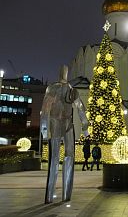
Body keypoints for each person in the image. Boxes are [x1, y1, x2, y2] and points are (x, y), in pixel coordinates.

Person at [40, 65, 89, 204]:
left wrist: (85, 130)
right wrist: (44, 131)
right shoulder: (53, 88)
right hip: (56, 123)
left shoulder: (71, 90)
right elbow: (45, 110)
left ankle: (65, 193)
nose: (64, 74)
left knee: (69, 157)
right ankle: (50, 195)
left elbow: (80, 108)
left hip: (67, 124)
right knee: (54, 159)